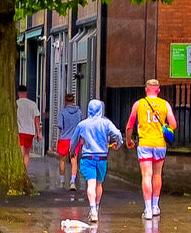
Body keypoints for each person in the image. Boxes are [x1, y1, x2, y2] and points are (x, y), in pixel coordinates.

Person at [126, 79, 177, 218]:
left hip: (144, 143)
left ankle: (147, 209)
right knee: (157, 175)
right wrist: (164, 128)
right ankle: (155, 206)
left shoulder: (139, 104)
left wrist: (129, 140)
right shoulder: (165, 104)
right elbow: (173, 124)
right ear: (158, 90)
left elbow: (130, 125)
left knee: (146, 175)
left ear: (146, 89)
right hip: (160, 144)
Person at [69, 99, 122, 224]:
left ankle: (92, 210)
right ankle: (96, 208)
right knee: (99, 184)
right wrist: (117, 144)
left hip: (88, 158)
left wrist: (72, 151)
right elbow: (118, 135)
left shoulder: (83, 124)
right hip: (102, 158)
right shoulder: (106, 123)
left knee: (90, 185)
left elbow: (74, 140)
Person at [56, 93, 84, 190]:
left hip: (64, 139)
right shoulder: (79, 112)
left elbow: (60, 125)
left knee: (62, 161)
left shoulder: (62, 112)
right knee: (74, 161)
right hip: (75, 139)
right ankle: (72, 182)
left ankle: (62, 181)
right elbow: (81, 126)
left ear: (65, 101)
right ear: (73, 101)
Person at [16, 88, 41, 161]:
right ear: (26, 93)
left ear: (18, 93)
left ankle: (20, 170)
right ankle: (25, 171)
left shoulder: (16, 103)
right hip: (30, 132)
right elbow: (36, 119)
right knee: (27, 154)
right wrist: (38, 133)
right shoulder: (33, 104)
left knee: (21, 153)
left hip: (20, 132)